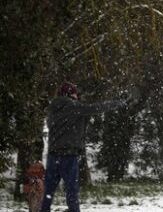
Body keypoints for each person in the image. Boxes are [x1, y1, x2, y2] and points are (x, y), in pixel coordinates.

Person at [40, 81, 129, 212]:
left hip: (53, 155)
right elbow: (97, 108)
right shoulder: (74, 107)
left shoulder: (52, 109)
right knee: (72, 190)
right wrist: (119, 103)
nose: (77, 96)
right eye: (75, 93)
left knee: (49, 190)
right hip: (68, 155)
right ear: (70, 94)